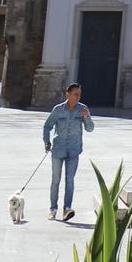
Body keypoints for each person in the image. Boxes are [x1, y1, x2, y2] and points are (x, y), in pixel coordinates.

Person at [43, 80, 94, 221]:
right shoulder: (58, 109)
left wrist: (87, 117)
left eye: (79, 94)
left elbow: (90, 128)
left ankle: (67, 209)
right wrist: (46, 142)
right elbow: (47, 126)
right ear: (68, 94)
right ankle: (53, 209)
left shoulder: (83, 109)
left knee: (70, 180)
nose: (78, 97)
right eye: (75, 94)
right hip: (58, 150)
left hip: (74, 150)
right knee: (55, 180)